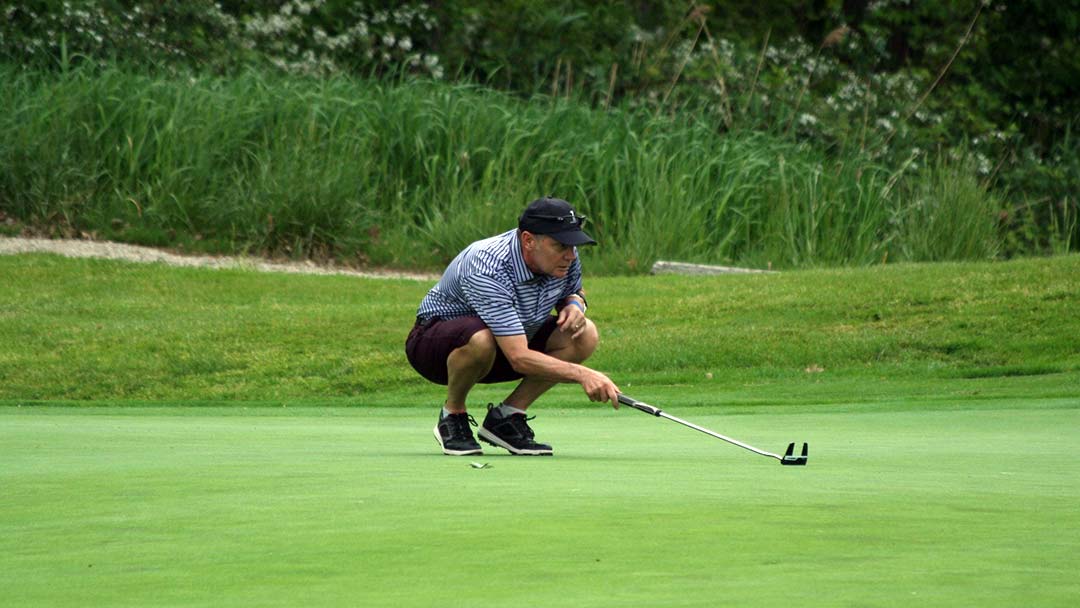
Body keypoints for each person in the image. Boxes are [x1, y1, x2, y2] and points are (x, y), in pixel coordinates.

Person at [405, 197, 621, 456]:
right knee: (481, 338)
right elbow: (518, 358)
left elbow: (572, 290)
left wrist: (575, 304)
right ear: (529, 240)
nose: (570, 254)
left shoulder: (566, 257)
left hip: (507, 342)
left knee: (584, 334)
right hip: (436, 347)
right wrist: (584, 375)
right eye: (561, 245)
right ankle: (453, 415)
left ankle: (506, 418)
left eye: (573, 246)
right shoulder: (486, 264)